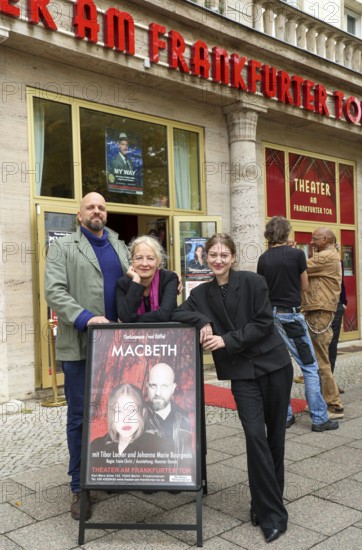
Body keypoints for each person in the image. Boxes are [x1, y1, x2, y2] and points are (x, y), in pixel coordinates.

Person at [172, 233, 293, 544]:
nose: (219, 260)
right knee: (255, 437)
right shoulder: (201, 293)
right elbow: (179, 312)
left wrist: (226, 340)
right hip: (242, 374)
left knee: (274, 437)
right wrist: (202, 322)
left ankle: (265, 504)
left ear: (234, 257)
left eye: (224, 254)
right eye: (213, 254)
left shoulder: (254, 282)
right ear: (205, 258)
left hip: (274, 366)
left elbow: (264, 323)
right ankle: (273, 515)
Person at [44, 192, 129, 520]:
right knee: (80, 417)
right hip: (80, 346)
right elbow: (54, 291)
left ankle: (107, 472)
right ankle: (80, 487)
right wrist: (85, 318)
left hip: (117, 347)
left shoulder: (120, 246)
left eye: (102, 207)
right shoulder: (63, 247)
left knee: (114, 413)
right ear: (79, 215)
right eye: (91, 207)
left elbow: (135, 282)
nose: (97, 211)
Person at [257, 216, 339, 431]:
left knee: (279, 367)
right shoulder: (296, 255)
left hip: (271, 317)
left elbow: (263, 289)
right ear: (287, 233)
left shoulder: (263, 258)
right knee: (310, 367)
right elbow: (304, 286)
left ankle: (285, 417)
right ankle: (320, 419)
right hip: (291, 316)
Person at [302, 227, 344, 416]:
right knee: (319, 359)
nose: (312, 242)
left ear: (326, 239)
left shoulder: (325, 256)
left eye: (315, 238)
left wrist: (285, 251)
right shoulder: (329, 254)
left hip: (320, 312)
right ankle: (321, 401)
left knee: (321, 361)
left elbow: (298, 266)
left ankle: (333, 404)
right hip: (318, 310)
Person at [90, 383, 171, 461]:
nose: (126, 419)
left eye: (132, 411)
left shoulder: (157, 447)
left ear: (142, 413)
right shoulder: (96, 446)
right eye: (119, 411)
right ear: (112, 415)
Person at [116, 235, 178, 323]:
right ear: (132, 261)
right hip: (132, 336)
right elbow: (125, 315)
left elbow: (164, 315)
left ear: (158, 261)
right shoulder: (122, 283)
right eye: (139, 258)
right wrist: (136, 281)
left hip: (164, 335)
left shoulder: (169, 279)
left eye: (150, 258)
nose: (144, 264)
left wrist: (132, 320)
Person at [146, 363, 193, 457]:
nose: (158, 392)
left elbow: (187, 456)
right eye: (153, 386)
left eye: (164, 386)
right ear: (147, 386)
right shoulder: (137, 417)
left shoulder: (183, 417)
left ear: (173, 388)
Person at [329, 240, 348, 386]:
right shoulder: (314, 261)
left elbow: (341, 283)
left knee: (332, 344)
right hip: (326, 307)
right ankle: (327, 382)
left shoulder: (338, 261)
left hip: (335, 306)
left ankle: (330, 381)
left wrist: (344, 301)